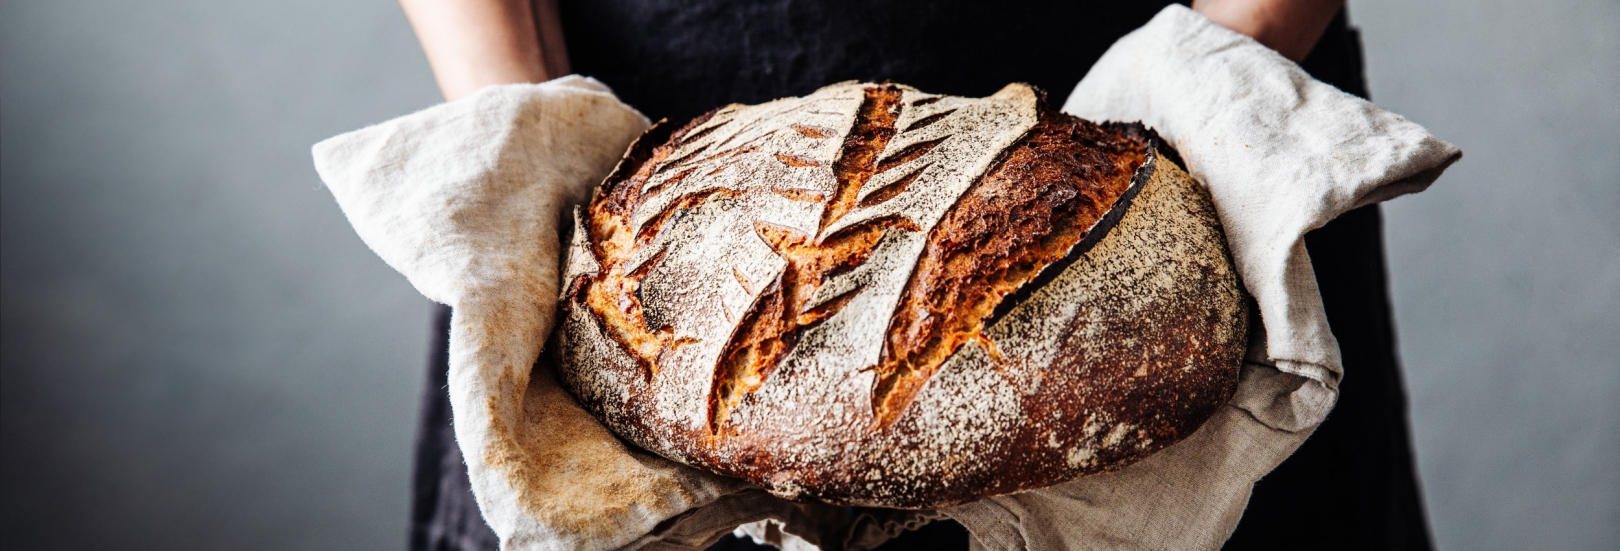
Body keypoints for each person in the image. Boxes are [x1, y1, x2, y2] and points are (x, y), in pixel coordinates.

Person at [396, 1, 1433, 549]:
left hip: (1192, 129)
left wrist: (1225, 70)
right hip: (649, 178)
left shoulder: (1188, 165)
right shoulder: (604, 241)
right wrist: (532, 127)